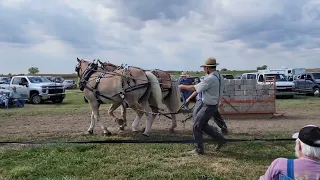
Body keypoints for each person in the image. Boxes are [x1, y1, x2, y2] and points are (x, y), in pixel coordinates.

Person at [178, 57, 226, 155]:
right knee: (202, 125)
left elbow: (194, 88)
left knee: (196, 126)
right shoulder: (219, 76)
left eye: (204, 68)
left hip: (208, 105)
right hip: (213, 105)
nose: (203, 69)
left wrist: (182, 86)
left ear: (208, 68)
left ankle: (199, 149)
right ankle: (220, 139)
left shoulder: (210, 79)